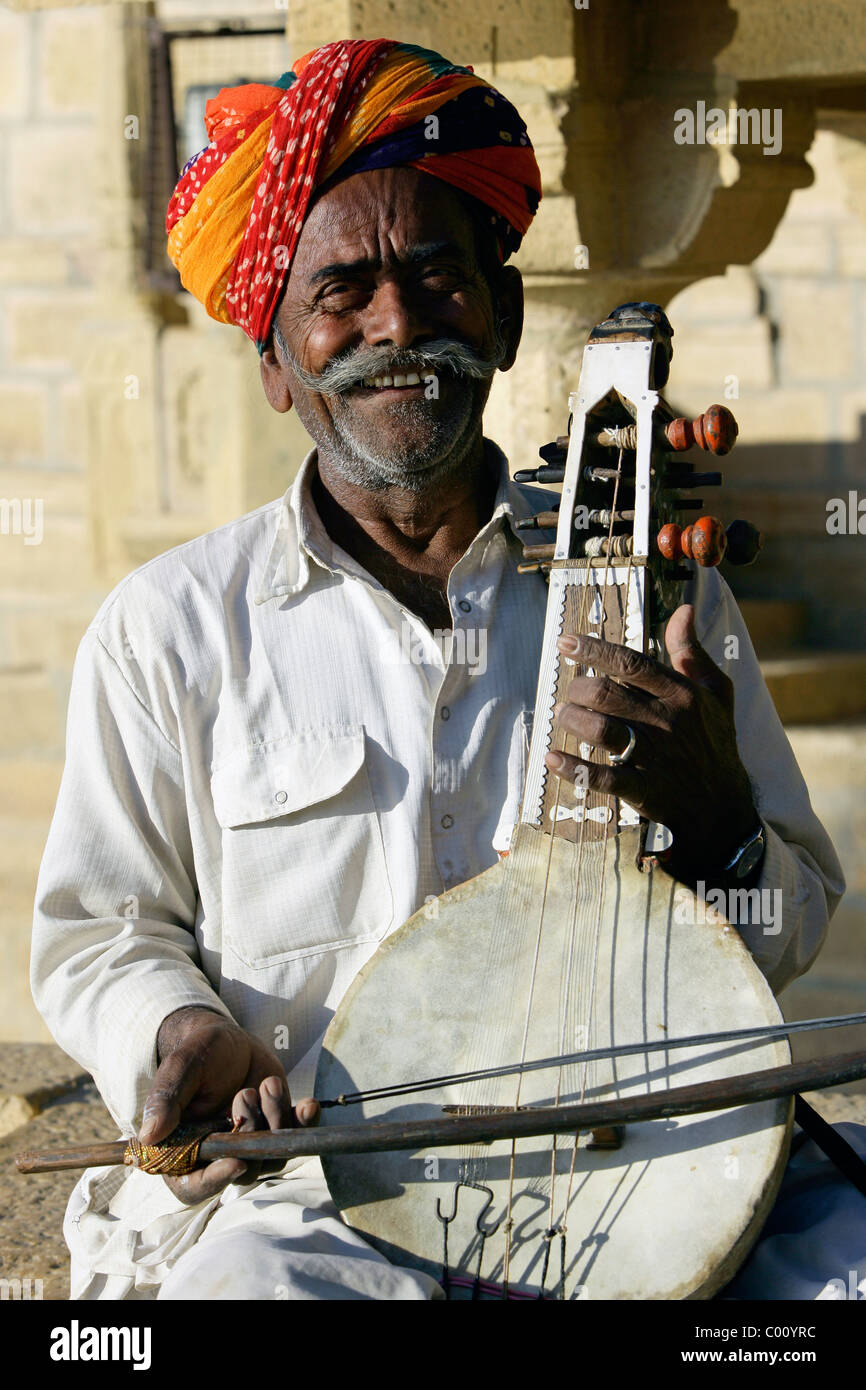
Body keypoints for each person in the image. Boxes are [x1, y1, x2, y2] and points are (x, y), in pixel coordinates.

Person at [31, 38, 854, 1301]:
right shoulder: (170, 629)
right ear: (275, 365)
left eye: (435, 275)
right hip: (312, 1193)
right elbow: (100, 931)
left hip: (652, 1160)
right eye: (341, 291)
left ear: (507, 314)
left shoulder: (649, 590)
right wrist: (179, 1029)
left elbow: (785, 925)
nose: (396, 323)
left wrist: (721, 829)